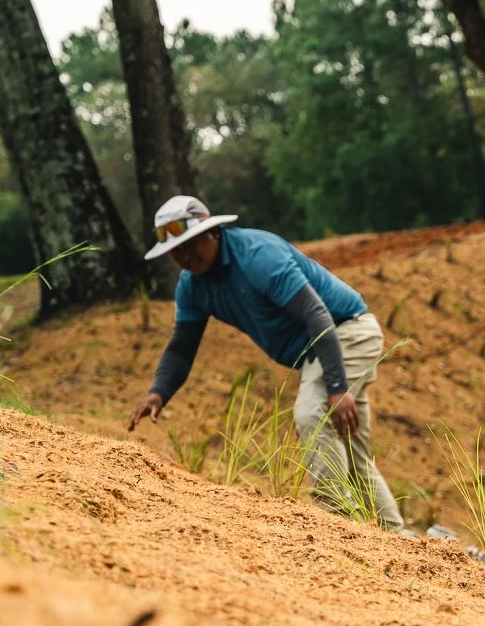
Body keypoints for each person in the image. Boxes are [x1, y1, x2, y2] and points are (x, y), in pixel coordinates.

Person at [127, 195, 403, 530]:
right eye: (177, 252)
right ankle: (397, 536)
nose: (185, 257)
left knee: (311, 413)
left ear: (212, 233)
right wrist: (159, 392)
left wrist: (337, 385)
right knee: (352, 449)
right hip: (322, 347)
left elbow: (317, 314)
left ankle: (340, 524)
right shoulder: (192, 286)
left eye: (191, 244)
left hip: (345, 331)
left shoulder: (257, 256)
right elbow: (182, 347)